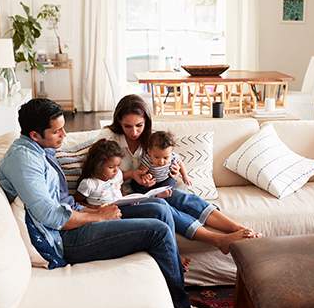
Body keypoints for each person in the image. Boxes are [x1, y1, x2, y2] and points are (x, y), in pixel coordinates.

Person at [0, 98, 216, 308]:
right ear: (34, 134)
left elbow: (61, 204)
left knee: (159, 208)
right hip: (62, 239)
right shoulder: (25, 160)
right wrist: (99, 216)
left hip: (75, 217)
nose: (64, 134)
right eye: (57, 131)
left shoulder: (39, 149)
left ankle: (177, 302)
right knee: (158, 232)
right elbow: (52, 216)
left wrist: (93, 209)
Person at [97, 94, 262, 256]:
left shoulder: (153, 139)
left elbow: (169, 161)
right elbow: (97, 174)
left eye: (139, 125)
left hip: (153, 189)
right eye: (127, 126)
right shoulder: (109, 140)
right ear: (119, 120)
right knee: (165, 208)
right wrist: (131, 174)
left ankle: (239, 228)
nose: (134, 132)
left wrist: (173, 170)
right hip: (124, 197)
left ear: (146, 120)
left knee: (182, 197)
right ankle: (218, 240)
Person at [74, 139, 126, 206]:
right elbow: (76, 201)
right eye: (111, 167)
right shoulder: (89, 184)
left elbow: (120, 191)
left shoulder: (117, 174)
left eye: (118, 165)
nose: (116, 170)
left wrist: (129, 199)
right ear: (98, 165)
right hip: (109, 214)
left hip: (123, 207)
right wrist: (95, 209)